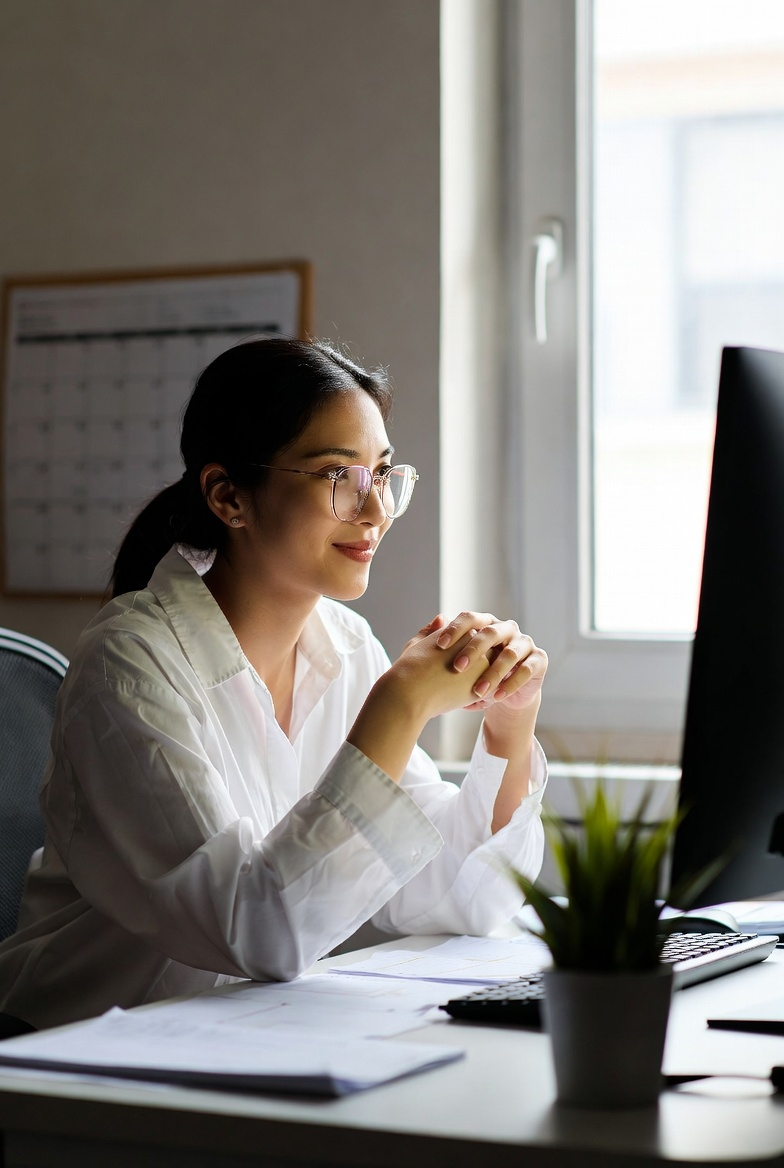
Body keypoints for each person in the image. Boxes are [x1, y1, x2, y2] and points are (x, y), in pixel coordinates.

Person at [0, 338, 548, 1032]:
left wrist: (509, 718)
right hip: (69, 1058)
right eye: (337, 477)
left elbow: (462, 898)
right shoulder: (128, 664)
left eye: (383, 475)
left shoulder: (344, 646)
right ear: (229, 496)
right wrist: (400, 705)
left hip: (235, 1042)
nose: (375, 511)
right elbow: (258, 932)